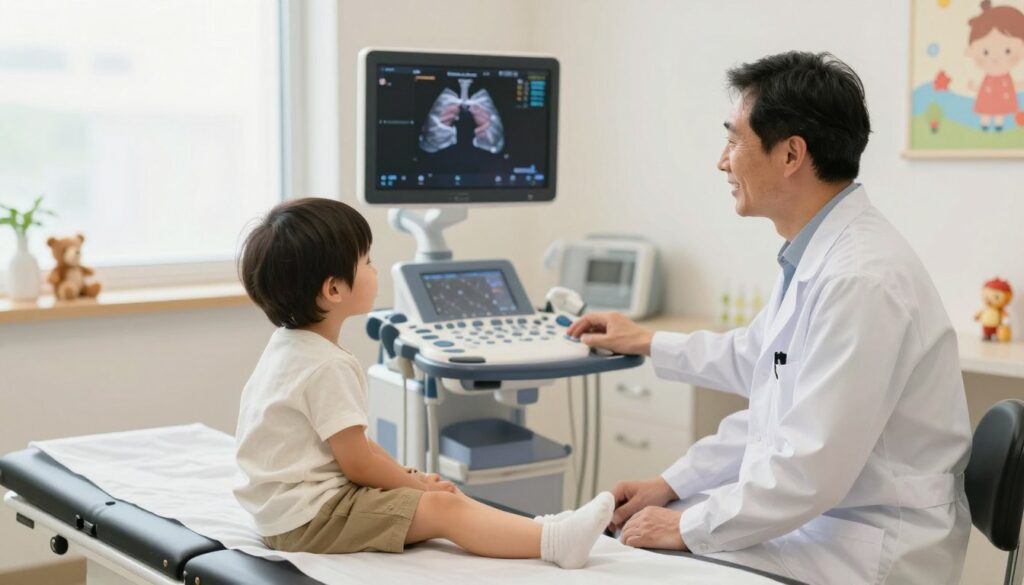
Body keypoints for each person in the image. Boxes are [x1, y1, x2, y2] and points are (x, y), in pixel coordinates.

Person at [568, 52, 972, 585]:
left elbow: (809, 469)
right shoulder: (817, 255)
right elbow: (767, 385)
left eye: (735, 140)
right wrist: (670, 482)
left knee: (639, 559)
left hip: (868, 543)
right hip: (826, 519)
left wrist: (688, 525)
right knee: (637, 537)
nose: (722, 160)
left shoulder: (859, 278)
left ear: (790, 154)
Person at [234, 197, 612, 569]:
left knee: (435, 488)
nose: (374, 270)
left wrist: (407, 477)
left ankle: (537, 527)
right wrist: (417, 489)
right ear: (333, 289)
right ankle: (555, 543)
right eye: (367, 262)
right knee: (442, 506)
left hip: (289, 510)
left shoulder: (289, 346)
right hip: (310, 521)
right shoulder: (326, 367)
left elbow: (355, 443)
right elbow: (359, 466)